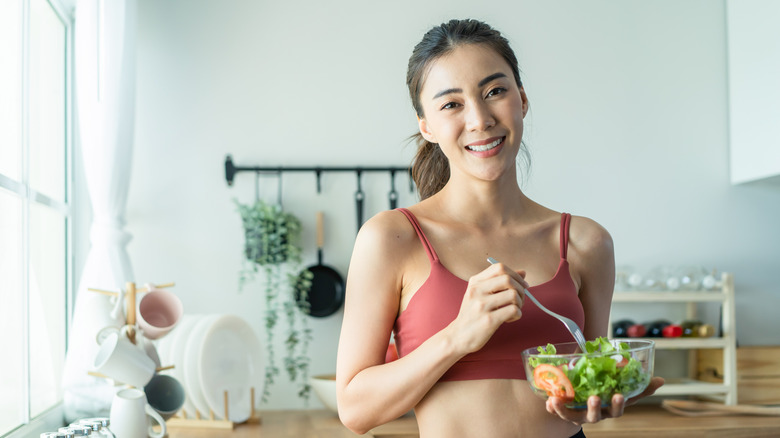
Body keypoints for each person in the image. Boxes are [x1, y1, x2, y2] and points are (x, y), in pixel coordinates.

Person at [336, 18, 663, 438]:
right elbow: (355, 409)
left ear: (522, 100)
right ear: (427, 127)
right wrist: (458, 335)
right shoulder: (392, 239)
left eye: (495, 92)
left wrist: (597, 401)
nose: (479, 118)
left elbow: (588, 383)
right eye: (451, 104)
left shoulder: (586, 242)